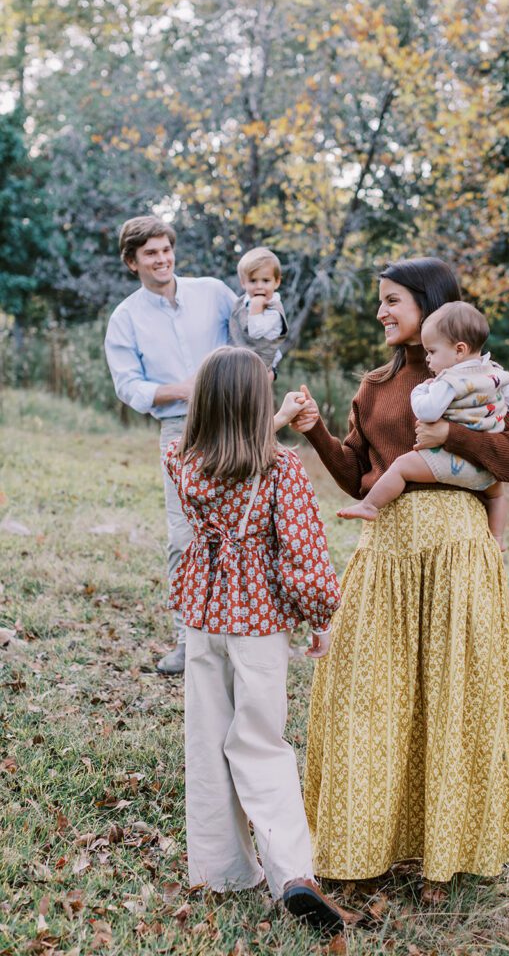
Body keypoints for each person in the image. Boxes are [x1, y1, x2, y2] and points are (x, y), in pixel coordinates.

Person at [290, 257, 509, 899]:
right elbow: (356, 474)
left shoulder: (481, 380)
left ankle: (443, 856)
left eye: (393, 300)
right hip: (388, 552)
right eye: (380, 301)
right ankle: (359, 845)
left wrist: (451, 433)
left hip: (456, 555)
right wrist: (316, 429)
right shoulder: (373, 389)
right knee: (366, 693)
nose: (381, 312)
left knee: (450, 699)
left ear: (430, 307)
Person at [164, 346, 360, 931]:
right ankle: (293, 874)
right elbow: (303, 558)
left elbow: (223, 446)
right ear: (260, 405)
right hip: (258, 626)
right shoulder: (282, 471)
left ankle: (222, 871)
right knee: (260, 744)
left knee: (207, 741)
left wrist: (263, 422)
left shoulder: (182, 460)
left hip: (202, 620)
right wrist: (319, 619)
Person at [104, 216, 237, 674]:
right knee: (185, 533)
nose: (161, 260)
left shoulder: (214, 292)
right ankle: (186, 639)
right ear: (131, 263)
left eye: (165, 250)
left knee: (245, 525)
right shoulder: (125, 318)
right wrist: (184, 389)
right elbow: (129, 387)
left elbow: (253, 336)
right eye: (150, 254)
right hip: (179, 429)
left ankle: (246, 632)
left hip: (235, 419)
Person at [337, 300, 509, 550]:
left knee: (402, 466)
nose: (428, 359)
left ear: (459, 350)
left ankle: (370, 506)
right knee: (497, 495)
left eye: (431, 352)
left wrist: (421, 390)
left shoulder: (449, 380)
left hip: (453, 462)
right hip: (484, 469)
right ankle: (497, 538)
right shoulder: (495, 374)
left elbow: (428, 411)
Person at [229, 247, 288, 374]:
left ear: (276, 282)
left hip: (260, 368)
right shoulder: (242, 302)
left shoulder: (273, 311)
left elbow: (255, 332)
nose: (259, 286)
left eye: (266, 281)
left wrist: (256, 307)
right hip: (239, 363)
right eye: (253, 281)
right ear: (243, 283)